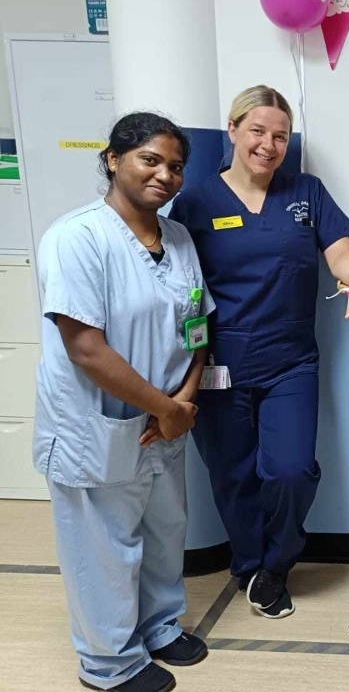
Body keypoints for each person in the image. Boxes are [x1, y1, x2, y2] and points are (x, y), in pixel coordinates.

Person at [169, 85, 349, 619]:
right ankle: (250, 565)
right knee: (233, 474)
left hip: (291, 360)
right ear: (234, 130)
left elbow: (340, 250)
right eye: (258, 131)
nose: (269, 144)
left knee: (289, 470)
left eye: (280, 135)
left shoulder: (305, 192)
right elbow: (170, 275)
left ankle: (276, 564)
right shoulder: (195, 202)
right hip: (218, 364)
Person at [34, 112, 215, 692]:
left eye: (176, 166)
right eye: (150, 160)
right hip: (100, 423)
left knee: (165, 528)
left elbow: (198, 324)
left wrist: (183, 399)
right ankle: (109, 664)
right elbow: (86, 348)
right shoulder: (77, 237)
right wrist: (165, 409)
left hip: (167, 419)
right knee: (102, 543)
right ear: (113, 159)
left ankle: (159, 626)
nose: (165, 175)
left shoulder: (178, 238)